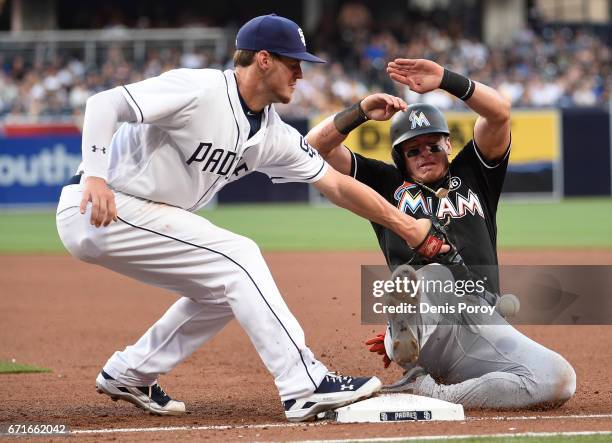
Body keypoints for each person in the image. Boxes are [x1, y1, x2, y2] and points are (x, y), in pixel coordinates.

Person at [55, 15, 441, 422]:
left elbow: (338, 186)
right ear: (262, 60)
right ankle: (303, 385)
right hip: (104, 204)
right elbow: (104, 103)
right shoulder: (200, 89)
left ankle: (131, 373)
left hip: (143, 212)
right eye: (292, 62)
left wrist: (405, 225)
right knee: (240, 256)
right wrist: (96, 176)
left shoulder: (273, 133)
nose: (300, 73)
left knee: (226, 289)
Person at [306, 58, 576, 409]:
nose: (425, 154)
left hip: (482, 323)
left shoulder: (476, 173)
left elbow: (499, 113)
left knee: (559, 380)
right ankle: (406, 327)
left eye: (433, 145)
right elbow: (311, 150)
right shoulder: (386, 183)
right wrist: (359, 111)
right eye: (413, 149)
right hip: (426, 313)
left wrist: (446, 81)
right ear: (400, 157)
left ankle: (436, 392)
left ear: (448, 145)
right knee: (431, 275)